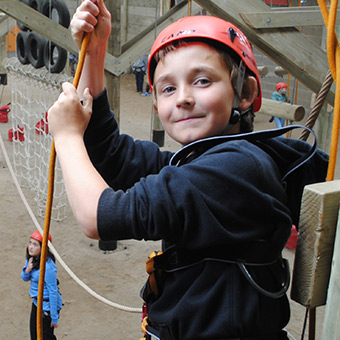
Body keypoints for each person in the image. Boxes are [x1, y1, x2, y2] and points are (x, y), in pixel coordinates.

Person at [48, 1, 328, 339]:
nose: (183, 98)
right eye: (168, 88)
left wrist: (65, 135)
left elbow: (98, 218)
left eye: (202, 81)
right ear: (157, 104)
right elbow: (114, 156)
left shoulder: (233, 171)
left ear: (245, 93)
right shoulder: (207, 163)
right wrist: (96, 51)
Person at [21, 230, 62, 340]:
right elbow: (24, 278)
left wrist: (54, 317)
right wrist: (27, 270)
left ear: (43, 247)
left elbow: (53, 292)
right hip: (36, 303)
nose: (30, 247)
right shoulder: (32, 259)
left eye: (35, 244)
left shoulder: (48, 268)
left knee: (46, 337)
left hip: (47, 306)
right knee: (34, 336)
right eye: (30, 243)